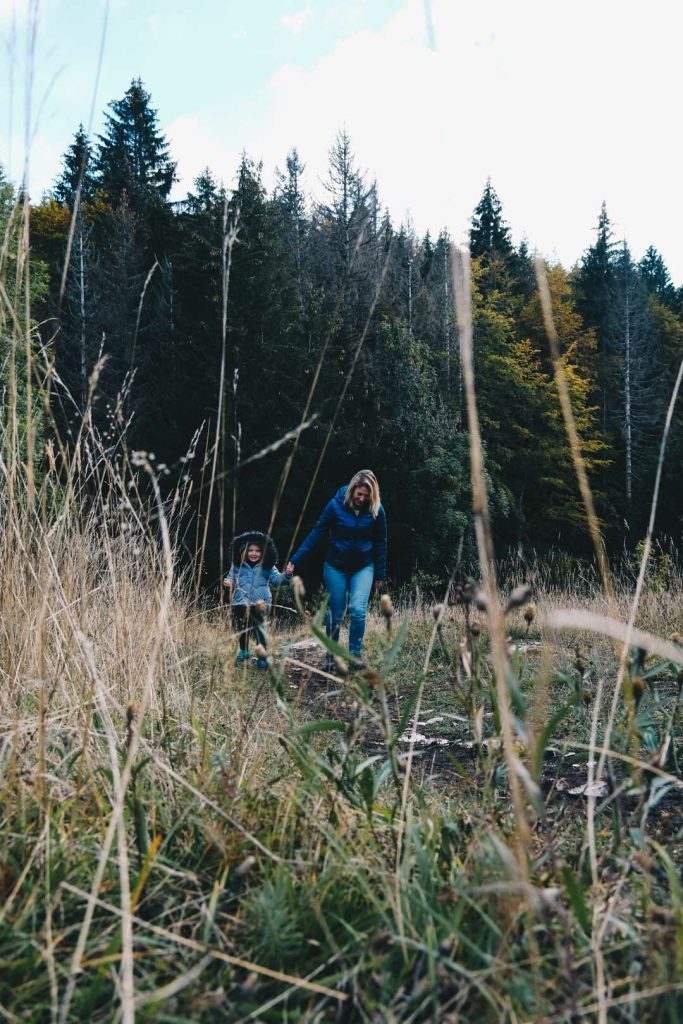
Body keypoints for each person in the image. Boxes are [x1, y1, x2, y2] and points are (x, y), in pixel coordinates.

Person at [286, 470, 386, 667]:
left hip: (363, 567)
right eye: (359, 494)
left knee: (358, 610)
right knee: (337, 612)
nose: (361, 499)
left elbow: (380, 542)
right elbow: (317, 533)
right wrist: (295, 559)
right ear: (352, 490)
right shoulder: (335, 505)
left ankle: (355, 655)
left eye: (366, 496)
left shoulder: (377, 510)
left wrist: (380, 573)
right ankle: (331, 655)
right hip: (335, 567)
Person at [223, 531, 292, 668]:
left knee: (260, 630)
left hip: (261, 604)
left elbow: (277, 580)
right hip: (240, 602)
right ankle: (243, 651)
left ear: (263, 552)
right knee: (242, 629)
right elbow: (231, 579)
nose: (254, 553)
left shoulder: (268, 566)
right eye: (250, 550)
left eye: (257, 551)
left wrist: (287, 575)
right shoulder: (236, 565)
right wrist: (229, 583)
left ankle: (262, 657)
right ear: (243, 551)